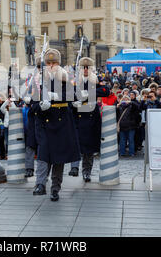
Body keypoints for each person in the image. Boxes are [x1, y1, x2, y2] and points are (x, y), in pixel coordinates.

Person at [32, 48, 81, 201]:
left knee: (59, 158)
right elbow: (32, 105)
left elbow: (73, 96)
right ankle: (40, 184)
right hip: (45, 123)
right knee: (43, 156)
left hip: (61, 122)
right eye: (49, 62)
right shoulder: (38, 81)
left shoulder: (65, 79)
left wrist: (56, 97)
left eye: (54, 62)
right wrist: (40, 106)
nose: (52, 65)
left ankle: (55, 188)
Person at [72, 57, 110, 182]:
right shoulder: (75, 81)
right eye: (84, 67)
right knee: (75, 144)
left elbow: (106, 91)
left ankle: (86, 171)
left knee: (88, 148)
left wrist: (89, 93)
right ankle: (74, 167)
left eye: (88, 67)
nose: (86, 70)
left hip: (90, 117)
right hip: (77, 115)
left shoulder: (95, 80)